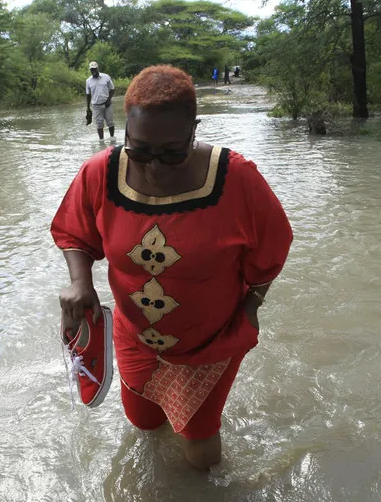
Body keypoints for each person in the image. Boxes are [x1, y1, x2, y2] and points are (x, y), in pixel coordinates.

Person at [52, 65, 292, 471]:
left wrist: (250, 310)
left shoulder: (238, 180)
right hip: (134, 335)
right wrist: (81, 282)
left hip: (210, 343)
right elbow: (75, 231)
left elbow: (272, 250)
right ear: (125, 131)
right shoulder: (100, 173)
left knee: (199, 439)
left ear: (194, 130)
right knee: (143, 422)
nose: (155, 166)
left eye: (172, 153)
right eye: (140, 151)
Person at [86, 61, 115, 140]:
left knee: (110, 122)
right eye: (92, 69)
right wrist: (88, 108)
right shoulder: (88, 81)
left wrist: (108, 100)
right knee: (99, 124)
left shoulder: (106, 77)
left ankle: (112, 138)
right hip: (96, 106)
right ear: (90, 70)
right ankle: (101, 141)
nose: (93, 71)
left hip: (107, 104)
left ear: (97, 68)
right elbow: (88, 95)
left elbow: (112, 89)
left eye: (94, 69)